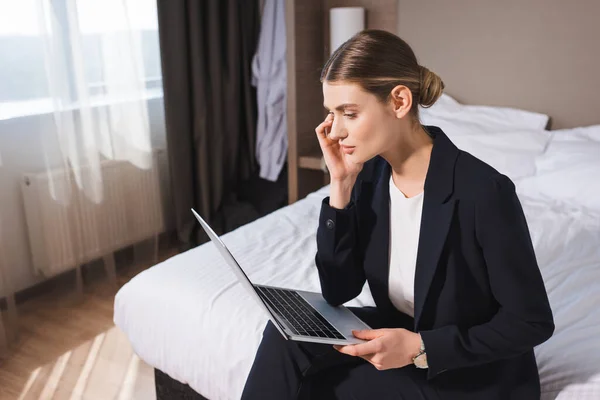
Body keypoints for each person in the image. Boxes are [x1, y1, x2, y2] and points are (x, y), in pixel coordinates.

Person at [241, 29, 554, 400]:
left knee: (319, 388)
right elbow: (339, 290)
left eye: (350, 113)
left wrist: (421, 347)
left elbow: (530, 322)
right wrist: (340, 186)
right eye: (331, 114)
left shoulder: (483, 192)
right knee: (284, 332)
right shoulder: (370, 176)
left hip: (472, 372)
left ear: (400, 101)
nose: (336, 131)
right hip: (400, 331)